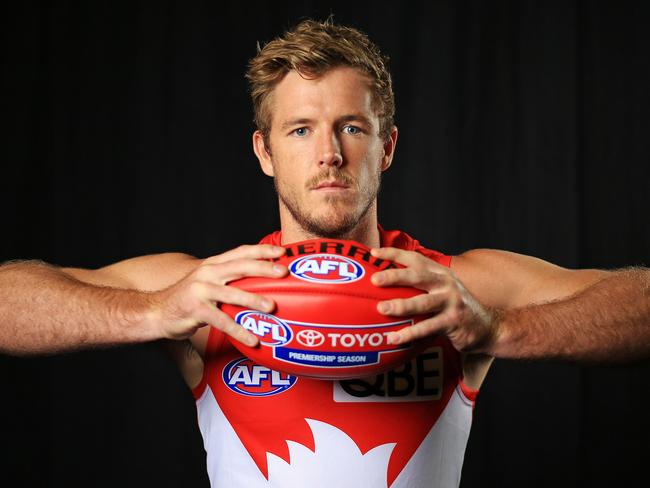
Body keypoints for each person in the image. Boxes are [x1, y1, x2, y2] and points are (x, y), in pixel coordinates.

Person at [0, 18, 648, 488]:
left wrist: (503, 328)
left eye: (352, 128)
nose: (329, 154)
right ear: (264, 151)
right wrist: (149, 312)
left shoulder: (453, 289)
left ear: (388, 147)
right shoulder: (209, 294)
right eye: (301, 129)